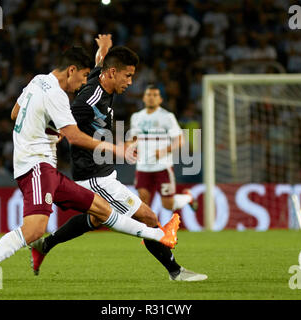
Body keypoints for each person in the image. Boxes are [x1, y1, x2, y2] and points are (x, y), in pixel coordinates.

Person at [0, 44, 179, 289]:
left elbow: (14, 113)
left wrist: (45, 127)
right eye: (83, 76)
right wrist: (116, 149)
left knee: (102, 210)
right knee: (34, 230)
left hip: (45, 168)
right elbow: (74, 137)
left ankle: (160, 234)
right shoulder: (58, 96)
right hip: (37, 165)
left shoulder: (38, 81)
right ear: (71, 70)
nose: (84, 83)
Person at [29, 35, 206, 282]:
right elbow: (68, 128)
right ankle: (176, 271)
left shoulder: (101, 79)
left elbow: (99, 64)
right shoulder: (87, 101)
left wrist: (102, 49)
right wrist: (60, 136)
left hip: (103, 170)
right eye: (128, 76)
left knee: (94, 218)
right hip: (93, 175)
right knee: (149, 217)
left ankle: (44, 246)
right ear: (113, 73)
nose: (131, 82)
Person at [129, 84, 197, 216]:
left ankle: (188, 197)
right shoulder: (136, 117)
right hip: (143, 166)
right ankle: (147, 235)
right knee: (142, 202)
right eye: (148, 95)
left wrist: (164, 151)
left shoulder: (167, 116)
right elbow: (134, 138)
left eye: (155, 95)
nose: (151, 98)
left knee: (168, 205)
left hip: (162, 166)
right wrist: (128, 146)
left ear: (160, 99)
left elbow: (180, 140)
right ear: (143, 98)